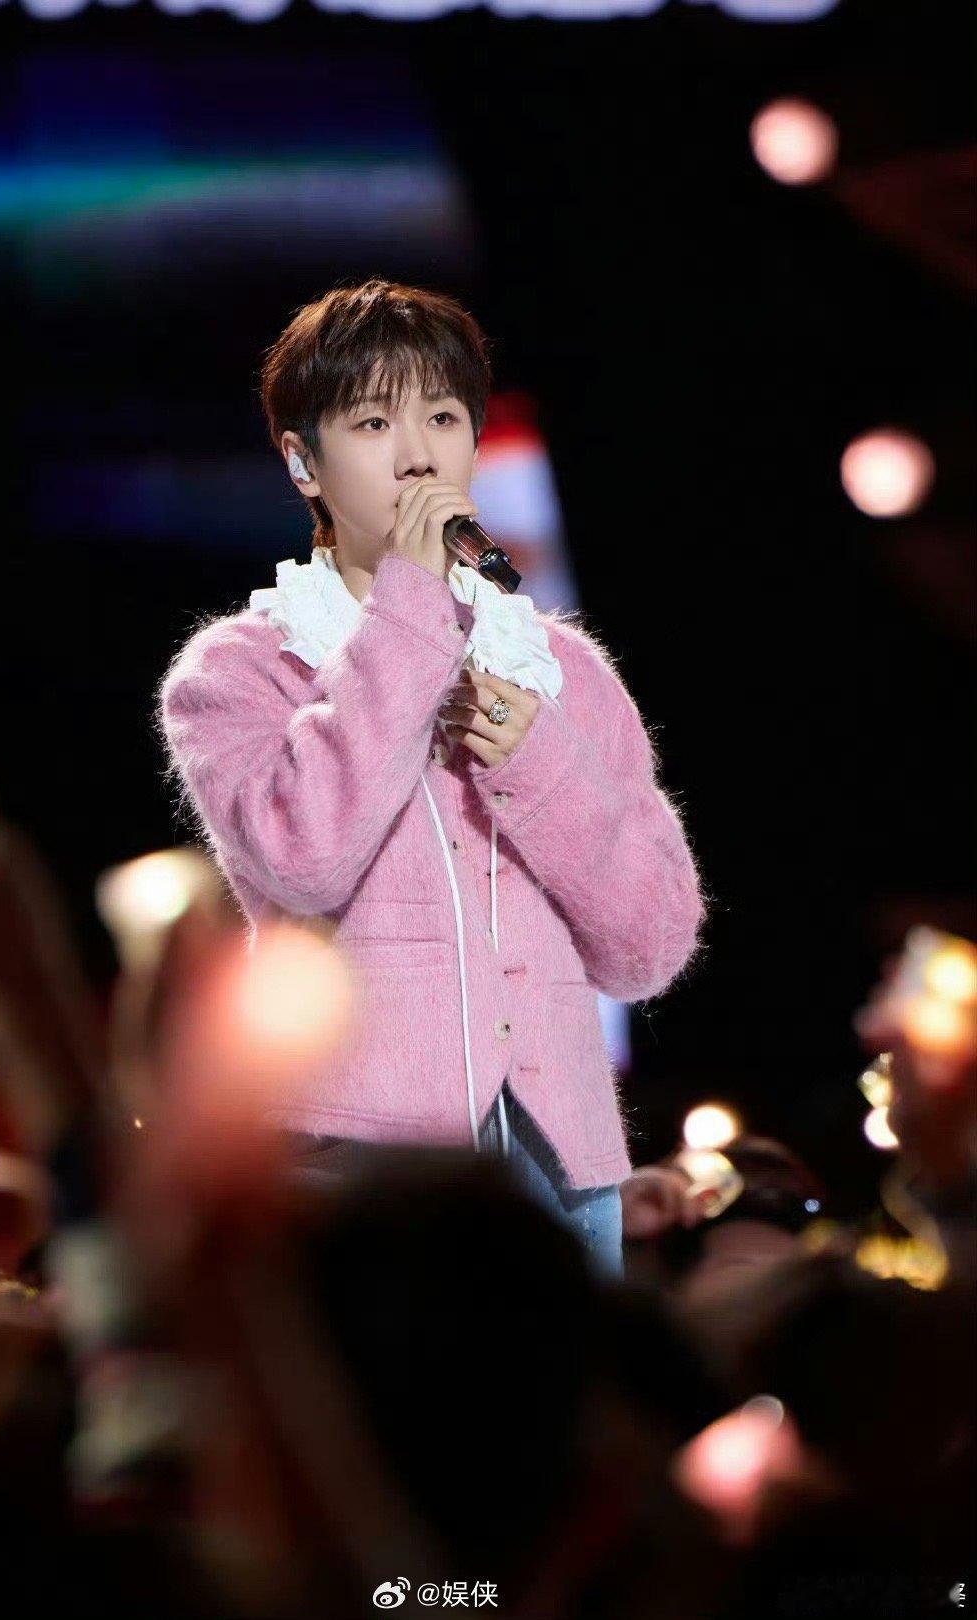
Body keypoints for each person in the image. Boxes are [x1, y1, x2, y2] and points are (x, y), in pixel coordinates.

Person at [157, 277, 707, 1280]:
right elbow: (306, 860)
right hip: (355, 1168)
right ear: (303, 461)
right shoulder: (244, 670)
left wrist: (539, 763)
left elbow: (649, 950)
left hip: (560, 1171)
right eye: (374, 423)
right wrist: (409, 609)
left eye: (444, 419)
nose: (418, 455)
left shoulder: (561, 671)